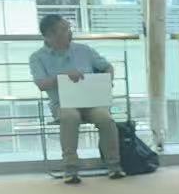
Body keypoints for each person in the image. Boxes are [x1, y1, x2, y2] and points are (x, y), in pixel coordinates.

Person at [28, 14, 122, 184]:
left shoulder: (84, 50)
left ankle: (113, 165)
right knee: (70, 117)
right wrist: (63, 77)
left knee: (105, 118)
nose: (69, 32)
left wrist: (107, 80)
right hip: (63, 104)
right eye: (64, 29)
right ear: (50, 35)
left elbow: (107, 66)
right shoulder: (37, 57)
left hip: (91, 101)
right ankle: (70, 167)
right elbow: (41, 84)